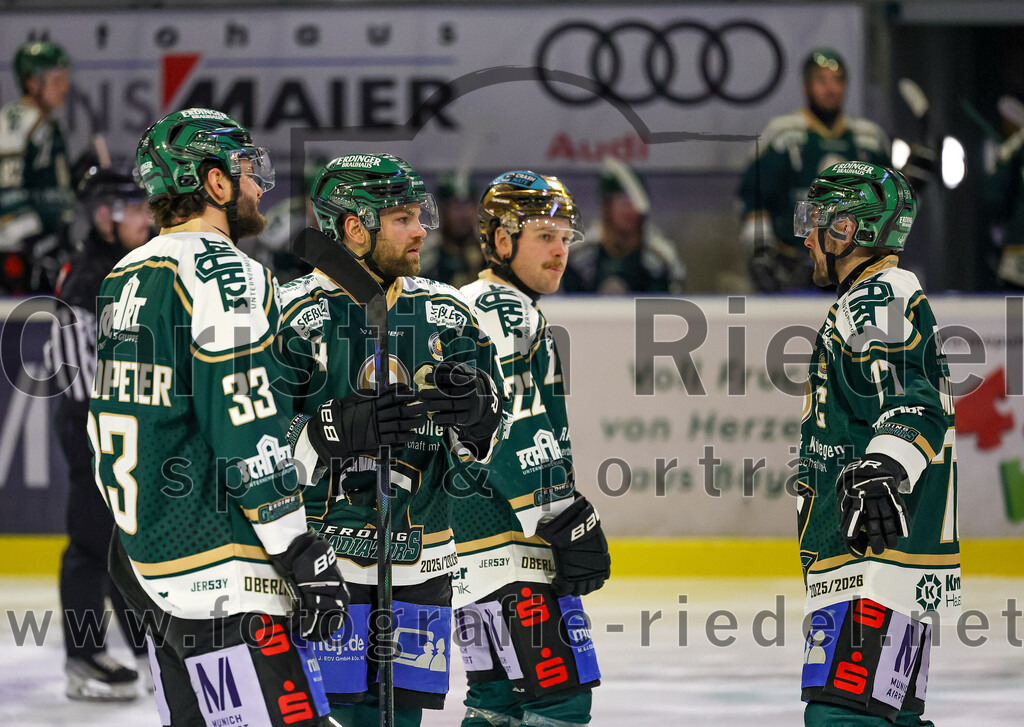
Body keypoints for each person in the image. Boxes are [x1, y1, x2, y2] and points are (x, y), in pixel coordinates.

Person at [90, 107, 348, 727]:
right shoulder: (226, 272)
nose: (260, 186)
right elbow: (247, 430)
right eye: (247, 170)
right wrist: (300, 551)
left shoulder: (125, 275)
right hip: (224, 572)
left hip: (150, 565)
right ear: (214, 183)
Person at [276, 152, 507, 727]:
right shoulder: (286, 315)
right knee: (340, 717)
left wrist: (478, 419)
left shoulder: (447, 314)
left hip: (423, 562)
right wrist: (331, 432)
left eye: (418, 215)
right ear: (354, 227)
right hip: (324, 566)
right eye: (402, 217)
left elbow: (489, 436)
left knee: (403, 719)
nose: (421, 228)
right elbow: (252, 441)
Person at [794, 162, 960, 726]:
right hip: (883, 563)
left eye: (818, 222)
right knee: (889, 719)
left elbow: (915, 399)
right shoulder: (870, 296)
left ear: (849, 230)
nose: (808, 237)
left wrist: (881, 471)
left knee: (839, 719)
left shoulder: (878, 294)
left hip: (871, 561)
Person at [455, 171, 610, 727]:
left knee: (495, 702)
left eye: (567, 236)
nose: (560, 250)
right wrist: (561, 512)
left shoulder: (464, 305)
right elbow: (513, 422)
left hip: (471, 551)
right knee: (561, 700)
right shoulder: (507, 312)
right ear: (501, 240)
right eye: (545, 234)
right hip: (513, 543)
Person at [45, 166, 153, 701]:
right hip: (92, 421)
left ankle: (141, 648)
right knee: (91, 542)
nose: (146, 216)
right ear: (106, 214)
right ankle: (83, 658)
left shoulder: (123, 266)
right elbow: (83, 376)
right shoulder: (92, 276)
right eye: (133, 207)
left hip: (111, 420)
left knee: (119, 538)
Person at [739, 48, 890, 292]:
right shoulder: (784, 135)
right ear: (806, 86)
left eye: (838, 80)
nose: (830, 88)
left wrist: (916, 181)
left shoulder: (868, 139)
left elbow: (888, 201)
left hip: (854, 266)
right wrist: (760, 249)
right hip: (791, 263)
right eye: (821, 80)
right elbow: (755, 194)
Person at [0, 40, 76, 294]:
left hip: (46, 242)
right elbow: (6, 194)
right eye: (57, 81)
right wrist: (32, 235)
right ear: (32, 83)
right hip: (19, 251)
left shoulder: (46, 124)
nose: (65, 88)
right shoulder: (16, 121)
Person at [561, 159, 684, 294]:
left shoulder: (658, 257)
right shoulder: (580, 255)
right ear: (606, 207)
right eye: (623, 203)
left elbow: (669, 304)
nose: (629, 211)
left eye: (635, 204)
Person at [420, 172, 485, 288]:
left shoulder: (488, 253)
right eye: (457, 207)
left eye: (469, 206)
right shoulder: (426, 256)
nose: (464, 215)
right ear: (442, 210)